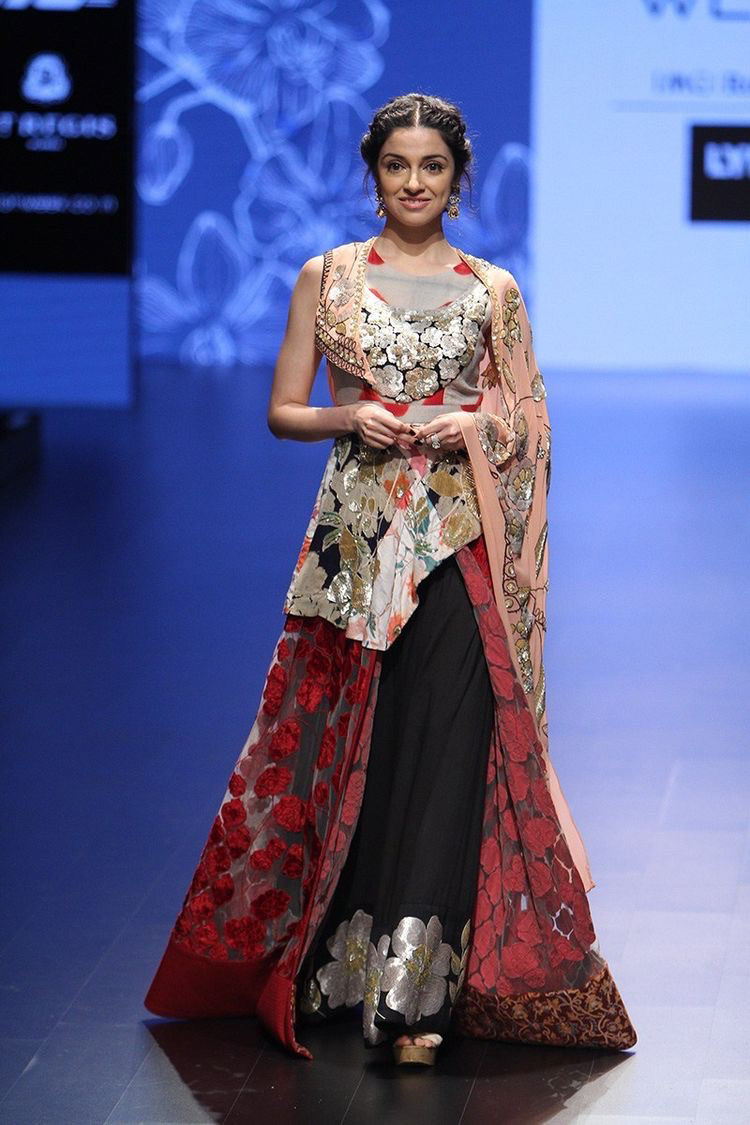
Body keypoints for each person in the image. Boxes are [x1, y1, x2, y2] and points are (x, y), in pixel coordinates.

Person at [144, 93, 636, 1067]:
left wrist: (477, 424)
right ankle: (336, 965)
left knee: (446, 754)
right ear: (374, 173)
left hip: (459, 546)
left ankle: (416, 1001)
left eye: (432, 167)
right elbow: (283, 408)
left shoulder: (492, 290)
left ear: (458, 179)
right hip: (355, 549)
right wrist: (347, 418)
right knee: (343, 752)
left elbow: (533, 419)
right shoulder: (326, 276)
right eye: (397, 165)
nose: (415, 182)